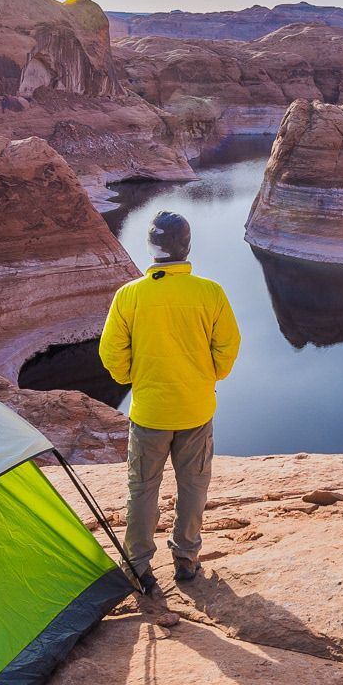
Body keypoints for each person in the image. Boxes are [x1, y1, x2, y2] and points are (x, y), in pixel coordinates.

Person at [98, 210, 240, 595]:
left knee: (143, 488)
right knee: (193, 486)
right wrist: (208, 375)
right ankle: (186, 560)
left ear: (152, 249)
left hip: (149, 413)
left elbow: (111, 353)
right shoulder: (209, 293)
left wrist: (133, 377)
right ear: (186, 247)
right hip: (195, 410)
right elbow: (228, 346)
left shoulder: (129, 296)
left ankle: (140, 567)